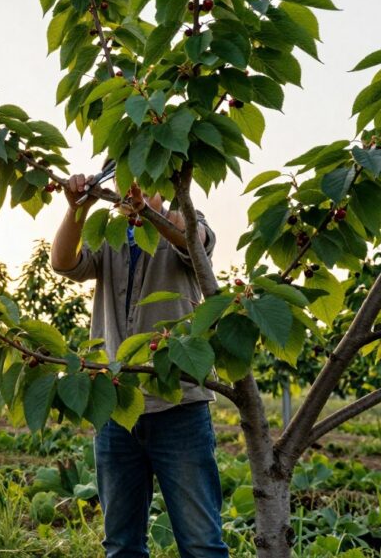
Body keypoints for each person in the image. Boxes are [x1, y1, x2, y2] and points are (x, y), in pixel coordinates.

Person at [50, 172, 229, 558]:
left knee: (201, 543)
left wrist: (150, 211)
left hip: (179, 406)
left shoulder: (188, 219)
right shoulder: (110, 236)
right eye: (127, 180)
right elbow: (63, 262)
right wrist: (76, 210)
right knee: (121, 544)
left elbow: (191, 242)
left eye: (146, 179)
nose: (134, 189)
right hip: (117, 405)